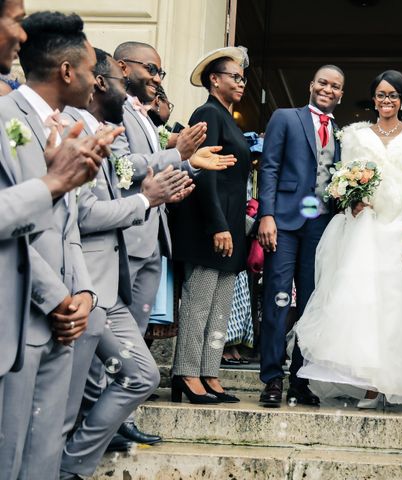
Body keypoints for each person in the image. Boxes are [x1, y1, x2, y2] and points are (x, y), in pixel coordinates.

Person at [58, 47, 199, 476]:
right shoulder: (71, 129)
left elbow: (122, 178)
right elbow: (83, 216)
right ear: (100, 80)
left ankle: (71, 466)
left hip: (108, 284)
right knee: (66, 402)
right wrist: (146, 198)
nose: (135, 88)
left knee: (140, 375)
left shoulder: (101, 128)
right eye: (121, 80)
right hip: (81, 286)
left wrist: (157, 192)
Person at [0, 11, 114, 479]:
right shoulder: (8, 118)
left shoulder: (70, 125)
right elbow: (18, 217)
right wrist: (57, 299)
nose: (97, 82)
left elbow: (67, 222)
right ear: (67, 70)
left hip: (64, 315)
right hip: (22, 314)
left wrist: (84, 293)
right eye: (91, 71)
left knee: (45, 454)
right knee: (10, 456)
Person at [295, 70, 402, 408]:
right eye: (381, 95)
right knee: (364, 304)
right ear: (374, 99)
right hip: (368, 225)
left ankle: (393, 381)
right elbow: (344, 179)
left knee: (398, 307)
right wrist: (355, 199)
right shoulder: (357, 136)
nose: (386, 101)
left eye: (393, 95)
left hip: (401, 226)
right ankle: (368, 384)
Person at [110, 40, 235, 438]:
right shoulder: (117, 112)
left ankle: (125, 418)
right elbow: (124, 167)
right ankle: (174, 380)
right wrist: (178, 156)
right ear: (121, 67)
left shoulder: (143, 115)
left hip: (154, 230)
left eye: (161, 72)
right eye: (151, 69)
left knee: (144, 333)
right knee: (128, 336)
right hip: (139, 233)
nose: (158, 79)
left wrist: (174, 186)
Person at [256, 65, 344, 407]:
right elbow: (270, 166)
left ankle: (300, 380)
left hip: (321, 226)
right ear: (311, 84)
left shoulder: (340, 131)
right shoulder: (285, 117)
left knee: (311, 306)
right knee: (278, 301)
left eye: (335, 86)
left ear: (341, 93)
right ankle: (272, 380)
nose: (328, 89)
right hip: (285, 223)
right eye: (322, 82)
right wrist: (266, 214)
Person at [169, 46, 250, 404]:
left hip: (230, 225)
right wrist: (218, 225)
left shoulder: (229, 117)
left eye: (243, 77)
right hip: (208, 225)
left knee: (220, 307)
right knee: (199, 303)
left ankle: (209, 372)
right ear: (214, 79)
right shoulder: (207, 112)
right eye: (235, 76)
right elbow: (202, 170)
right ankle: (186, 373)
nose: (241, 82)